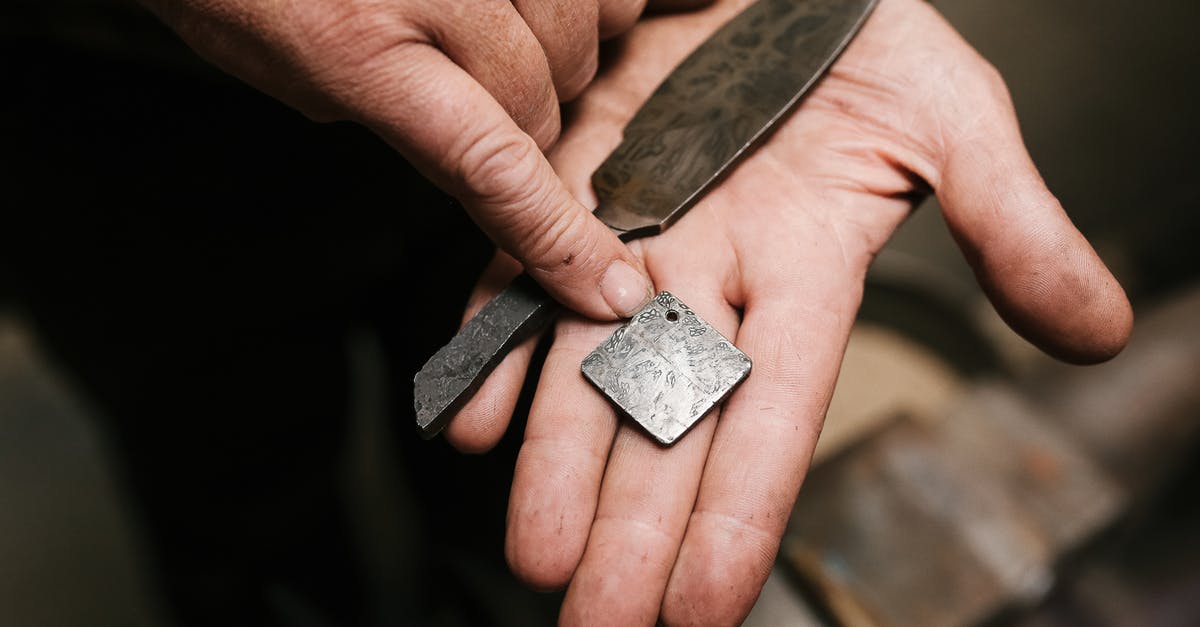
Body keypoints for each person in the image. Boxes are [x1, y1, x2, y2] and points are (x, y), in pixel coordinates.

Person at [21, 0, 1130, 624]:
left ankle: (473, 576)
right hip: (110, 132)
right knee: (229, 470)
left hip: (562, 88)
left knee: (504, 434)